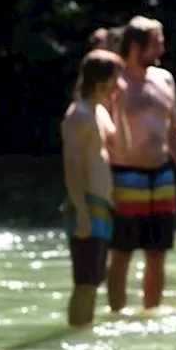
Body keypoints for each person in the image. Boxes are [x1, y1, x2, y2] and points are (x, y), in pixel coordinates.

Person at [106, 16, 176, 314]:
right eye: (156, 41)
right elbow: (99, 131)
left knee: (157, 253)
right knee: (121, 253)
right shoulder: (114, 82)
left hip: (161, 176)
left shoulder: (165, 79)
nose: (162, 47)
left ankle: (151, 314)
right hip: (124, 175)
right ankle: (116, 315)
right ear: (136, 45)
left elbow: (175, 131)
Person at [60, 49, 128, 327]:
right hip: (84, 205)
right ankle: (75, 334)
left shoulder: (99, 112)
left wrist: (120, 107)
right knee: (85, 282)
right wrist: (82, 213)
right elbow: (72, 167)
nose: (119, 85)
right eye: (116, 79)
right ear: (102, 81)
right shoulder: (79, 115)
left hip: (101, 204)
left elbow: (121, 148)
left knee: (94, 281)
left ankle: (83, 330)